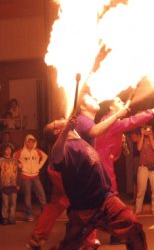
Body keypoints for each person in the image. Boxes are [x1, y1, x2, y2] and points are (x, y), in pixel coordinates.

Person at [26, 93, 128, 250]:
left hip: (72, 169)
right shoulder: (81, 120)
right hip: (66, 170)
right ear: (82, 106)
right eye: (89, 97)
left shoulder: (84, 120)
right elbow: (94, 131)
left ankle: (40, 239)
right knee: (79, 201)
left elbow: (97, 134)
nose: (95, 97)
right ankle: (86, 240)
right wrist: (117, 115)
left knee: (69, 202)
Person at [49, 118, 147, 250]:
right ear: (57, 131)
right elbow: (55, 156)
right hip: (84, 209)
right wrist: (66, 130)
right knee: (68, 246)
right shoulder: (64, 148)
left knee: (134, 229)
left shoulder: (81, 140)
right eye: (57, 122)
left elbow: (97, 131)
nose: (61, 118)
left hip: (105, 200)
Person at [94, 97, 154, 193]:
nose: (123, 102)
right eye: (119, 101)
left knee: (107, 190)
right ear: (111, 107)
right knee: (111, 191)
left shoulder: (108, 119)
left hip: (104, 158)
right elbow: (132, 121)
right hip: (103, 159)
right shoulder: (110, 121)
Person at [13, 134, 47, 222]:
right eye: (29, 142)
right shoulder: (21, 151)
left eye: (32, 142)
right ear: (26, 142)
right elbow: (13, 158)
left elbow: (45, 157)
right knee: (27, 197)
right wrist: (20, 165)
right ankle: (29, 214)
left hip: (35, 176)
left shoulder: (37, 151)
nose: (31, 144)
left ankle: (44, 213)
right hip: (25, 176)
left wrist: (39, 166)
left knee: (42, 195)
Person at [134, 125, 154, 215]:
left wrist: (150, 136)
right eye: (146, 129)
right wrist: (142, 135)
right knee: (141, 190)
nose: (148, 130)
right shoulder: (139, 137)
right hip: (143, 167)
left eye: (149, 129)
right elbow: (138, 148)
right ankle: (138, 210)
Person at [0, 143, 20, 225]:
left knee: (13, 202)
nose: (8, 151)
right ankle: (5, 218)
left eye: (9, 149)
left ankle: (12, 218)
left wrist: (18, 184)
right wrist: (0, 185)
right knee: (5, 203)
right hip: (4, 185)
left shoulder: (15, 160)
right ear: (4, 151)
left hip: (13, 185)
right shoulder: (0, 161)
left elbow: (19, 172)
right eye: (6, 149)